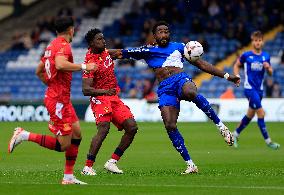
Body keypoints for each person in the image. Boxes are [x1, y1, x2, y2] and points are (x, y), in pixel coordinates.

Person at [110, 21, 240, 174]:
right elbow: (119, 53)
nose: (164, 34)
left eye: (166, 31)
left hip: (180, 79)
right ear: (154, 35)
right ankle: (190, 164)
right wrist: (98, 53)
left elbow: (203, 65)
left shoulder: (180, 47)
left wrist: (227, 76)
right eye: (160, 32)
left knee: (191, 92)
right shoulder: (147, 50)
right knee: (170, 125)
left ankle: (221, 127)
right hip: (165, 89)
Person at [8, 16, 95, 184]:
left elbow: (39, 71)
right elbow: (61, 65)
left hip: (61, 99)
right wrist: (85, 66)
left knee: (77, 134)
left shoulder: (51, 46)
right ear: (72, 30)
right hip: (58, 102)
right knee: (63, 145)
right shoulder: (64, 46)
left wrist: (52, 84)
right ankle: (24, 135)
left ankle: (68, 177)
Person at [81, 29, 138, 175]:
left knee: (131, 127)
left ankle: (112, 162)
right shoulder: (90, 62)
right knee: (104, 128)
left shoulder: (106, 53)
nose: (103, 41)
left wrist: (145, 51)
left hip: (113, 97)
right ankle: (87, 167)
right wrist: (105, 92)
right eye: (99, 39)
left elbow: (121, 52)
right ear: (91, 43)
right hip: (100, 97)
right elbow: (86, 90)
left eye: (103, 38)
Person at [233, 31, 280, 149]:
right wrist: (237, 75)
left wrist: (268, 68)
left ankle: (235, 134)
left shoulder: (266, 56)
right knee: (261, 112)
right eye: (255, 40)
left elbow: (270, 73)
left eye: (259, 40)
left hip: (259, 90)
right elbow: (236, 65)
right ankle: (269, 142)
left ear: (262, 42)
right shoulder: (246, 55)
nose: (257, 42)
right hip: (249, 89)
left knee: (250, 115)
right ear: (252, 41)